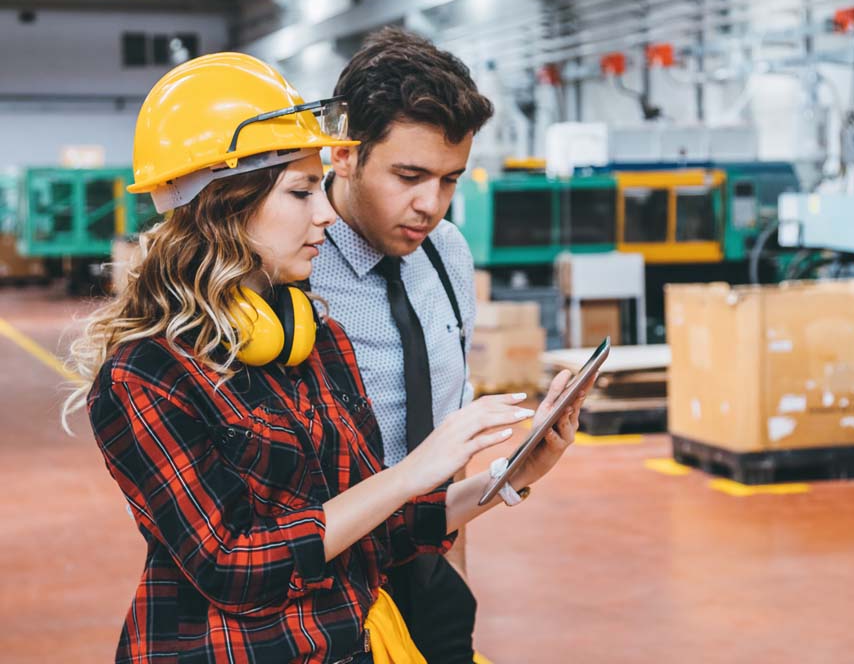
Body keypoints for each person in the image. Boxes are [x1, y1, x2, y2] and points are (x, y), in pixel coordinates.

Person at [63, 52, 589, 663]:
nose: (323, 215)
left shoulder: (313, 339)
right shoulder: (147, 375)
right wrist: (409, 473)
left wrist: (511, 478)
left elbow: (384, 531)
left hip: (351, 638)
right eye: (302, 191)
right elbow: (232, 566)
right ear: (224, 204)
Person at [309, 28, 500, 663]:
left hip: (427, 570)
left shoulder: (447, 256)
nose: (430, 206)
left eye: (450, 180)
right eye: (410, 175)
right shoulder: (294, 269)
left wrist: (454, 581)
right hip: (325, 590)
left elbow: (450, 441)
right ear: (343, 153)